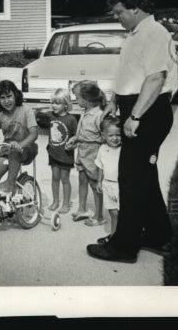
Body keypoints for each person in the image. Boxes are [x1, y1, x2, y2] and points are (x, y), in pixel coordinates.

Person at [87, 0, 178, 263]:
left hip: (148, 113)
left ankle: (123, 247)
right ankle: (158, 236)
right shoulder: (136, 33)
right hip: (135, 108)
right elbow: (131, 74)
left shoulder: (154, 33)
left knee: (130, 178)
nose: (117, 17)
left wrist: (135, 116)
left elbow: (155, 79)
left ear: (136, 8)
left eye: (119, 12)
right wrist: (115, 101)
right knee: (144, 177)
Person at [66, 80, 106, 225]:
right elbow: (81, 131)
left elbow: (104, 137)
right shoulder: (85, 112)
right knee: (82, 180)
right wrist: (75, 139)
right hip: (82, 151)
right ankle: (82, 209)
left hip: (93, 154)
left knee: (95, 185)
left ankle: (99, 216)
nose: (75, 100)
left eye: (77, 97)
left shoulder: (99, 115)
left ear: (87, 99)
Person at [45, 89, 77, 214]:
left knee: (64, 178)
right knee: (55, 177)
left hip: (66, 154)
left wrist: (72, 144)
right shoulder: (50, 116)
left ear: (66, 104)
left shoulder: (71, 119)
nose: (54, 106)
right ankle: (55, 201)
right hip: (53, 152)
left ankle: (65, 203)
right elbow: (37, 113)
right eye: (52, 102)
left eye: (57, 103)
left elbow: (76, 136)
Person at [94, 116, 123, 244]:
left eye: (118, 135)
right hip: (108, 185)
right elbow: (100, 167)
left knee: (122, 213)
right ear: (103, 135)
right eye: (111, 135)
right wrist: (99, 181)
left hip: (121, 186)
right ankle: (114, 236)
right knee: (113, 212)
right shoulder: (102, 149)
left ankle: (120, 236)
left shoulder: (124, 149)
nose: (115, 138)